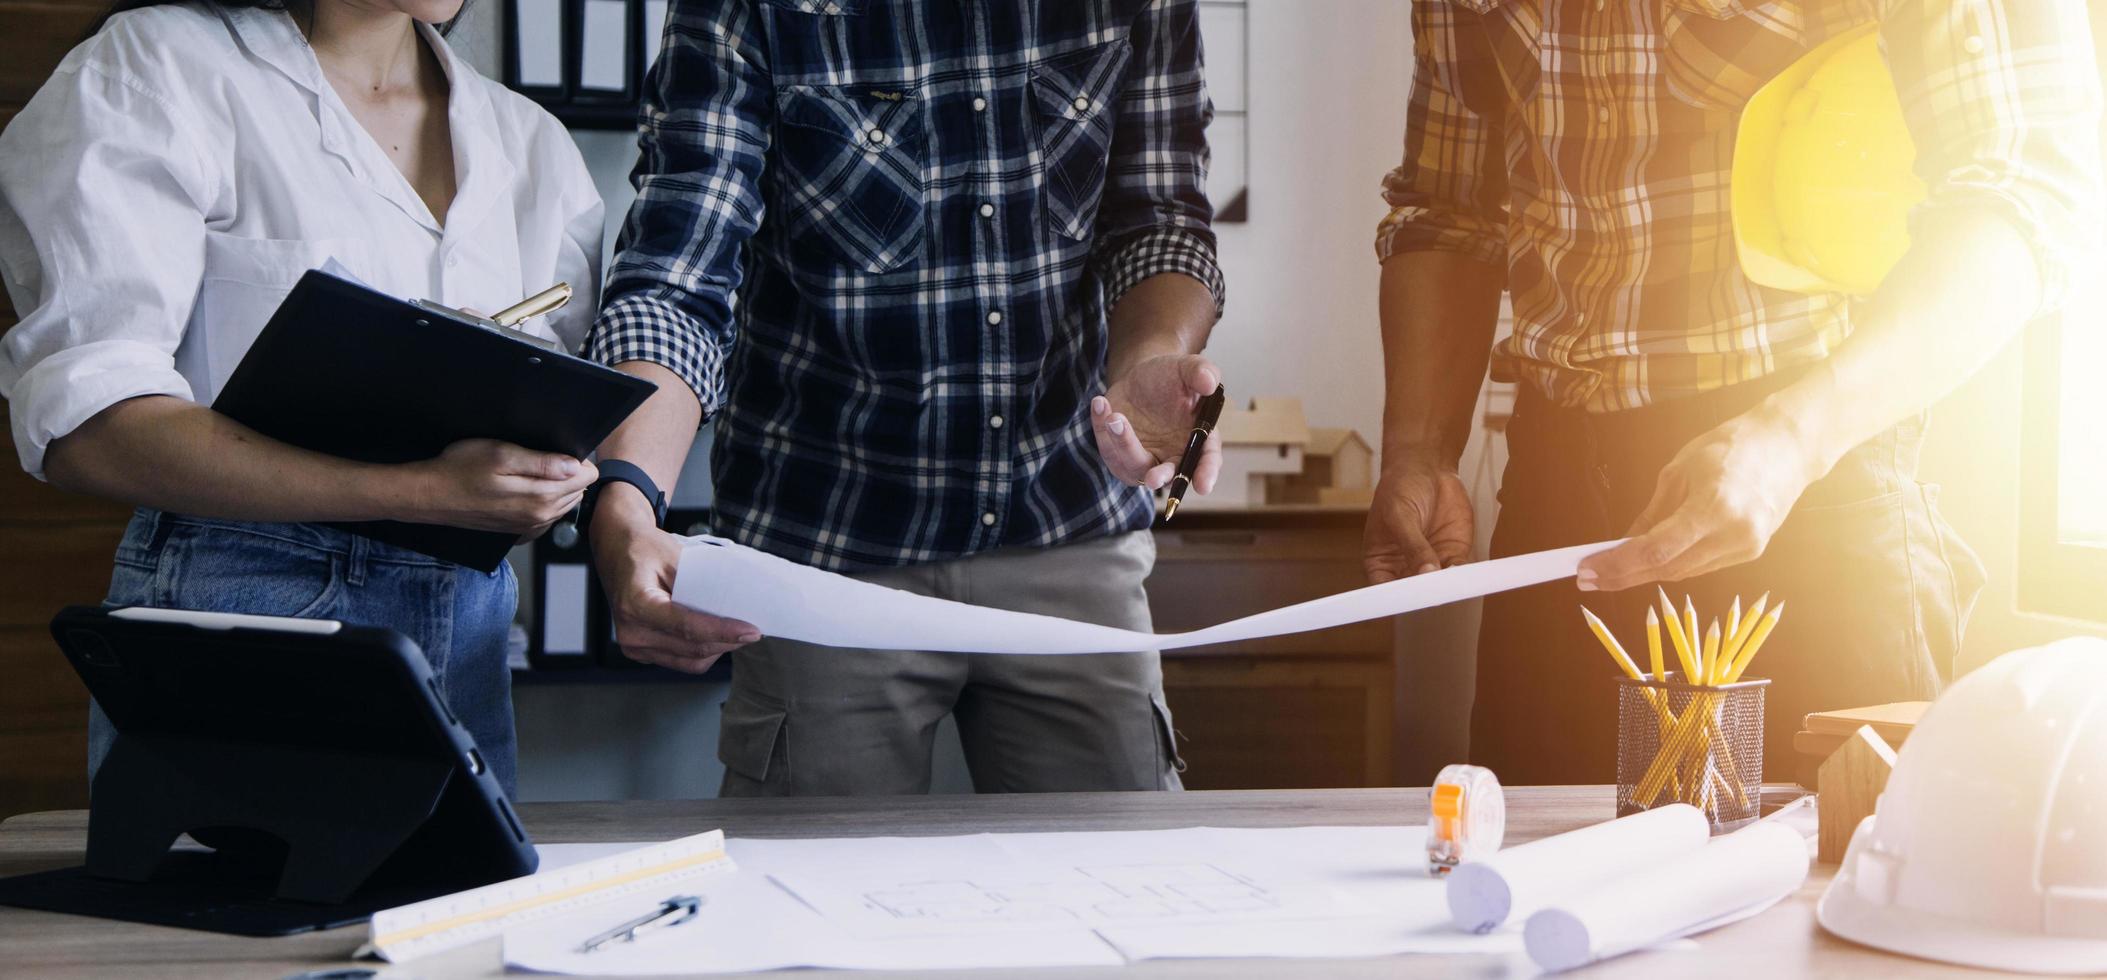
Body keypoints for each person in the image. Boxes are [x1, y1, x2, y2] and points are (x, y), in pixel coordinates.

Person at [1366, 0, 2102, 783]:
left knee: (1832, 888)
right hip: (1556, 506)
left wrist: (1792, 439)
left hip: (1811, 490)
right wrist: (1417, 448)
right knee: (1523, 888)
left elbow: (2028, 187)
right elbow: (1446, 213)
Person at [580, 0, 1225, 796]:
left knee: (1124, 878)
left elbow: (1158, 218)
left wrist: (1152, 360)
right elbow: (682, 265)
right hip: (824, 550)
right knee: (810, 898)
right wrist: (627, 499)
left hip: (1067, 526)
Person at [0, 0, 608, 797]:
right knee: (222, 911)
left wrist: (552, 478)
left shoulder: (528, 142)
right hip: (247, 601)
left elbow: (564, 401)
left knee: (451, 915)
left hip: (468, 618)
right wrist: (418, 491)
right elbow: (87, 427)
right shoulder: (157, 66)